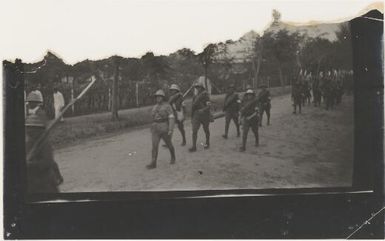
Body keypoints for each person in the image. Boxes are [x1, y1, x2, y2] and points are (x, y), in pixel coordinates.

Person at [25, 92, 63, 193]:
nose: (31, 104)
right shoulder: (30, 113)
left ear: (37, 103)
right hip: (32, 182)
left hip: (43, 138)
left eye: (33, 102)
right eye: (30, 102)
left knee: (51, 162)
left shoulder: (41, 113)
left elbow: (44, 126)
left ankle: (57, 175)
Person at [147, 89, 176, 169]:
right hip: (155, 128)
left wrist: (170, 129)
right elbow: (152, 117)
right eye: (157, 97)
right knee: (154, 146)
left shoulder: (167, 106)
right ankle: (153, 162)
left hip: (164, 127)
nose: (158, 98)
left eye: (159, 97)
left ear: (163, 97)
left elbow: (171, 117)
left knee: (169, 144)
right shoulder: (154, 107)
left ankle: (173, 157)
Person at [189, 81, 211, 152]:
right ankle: (194, 146)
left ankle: (207, 142)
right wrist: (192, 116)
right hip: (196, 114)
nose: (197, 88)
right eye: (196, 87)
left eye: (199, 87)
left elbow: (209, 106)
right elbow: (193, 106)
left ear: (202, 88)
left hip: (204, 115)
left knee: (206, 129)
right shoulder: (195, 96)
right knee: (194, 130)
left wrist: (203, 110)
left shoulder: (205, 95)